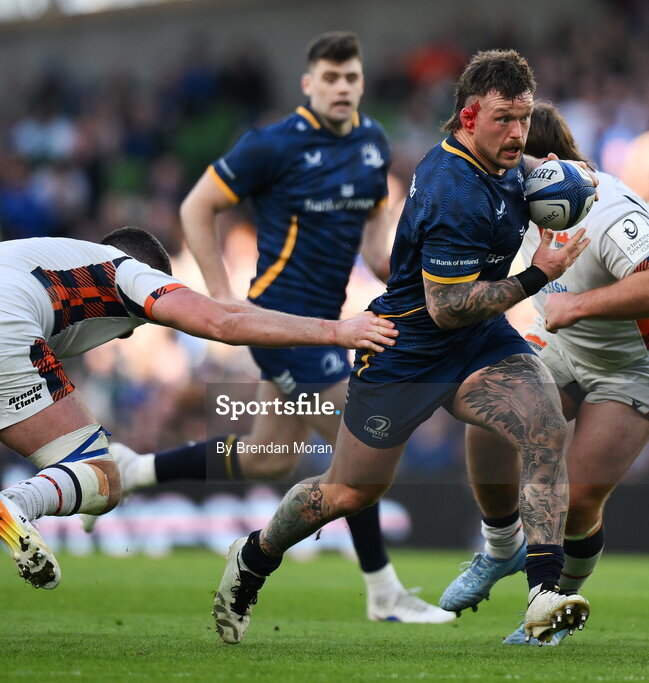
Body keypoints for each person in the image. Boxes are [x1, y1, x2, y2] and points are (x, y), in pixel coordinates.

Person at [0, 227, 398, 641]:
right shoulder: (128, 275)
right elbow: (223, 322)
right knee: (102, 474)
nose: (129, 336)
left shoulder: (34, 254)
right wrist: (336, 330)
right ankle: (16, 502)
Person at [210, 48, 596, 647]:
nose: (517, 132)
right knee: (349, 491)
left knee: (545, 424)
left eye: (523, 117)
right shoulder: (452, 188)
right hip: (408, 348)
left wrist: (581, 179)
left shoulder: (508, 163)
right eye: (503, 119)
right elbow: (446, 308)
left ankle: (542, 593)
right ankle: (254, 557)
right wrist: (537, 275)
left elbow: (556, 178)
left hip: (477, 341)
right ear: (468, 118)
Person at [88, 32, 451, 624]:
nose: (341, 88)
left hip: (327, 323)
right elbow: (195, 208)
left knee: (265, 458)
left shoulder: (372, 143)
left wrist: (396, 263)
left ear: (362, 84)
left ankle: (133, 469)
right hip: (279, 319)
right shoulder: (273, 144)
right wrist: (223, 298)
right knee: (361, 432)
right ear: (308, 84)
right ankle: (382, 588)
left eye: (351, 78)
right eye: (329, 78)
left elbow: (376, 238)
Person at [438, 101, 649, 645]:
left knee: (575, 500)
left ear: (552, 162)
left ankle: (550, 617)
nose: (505, 180)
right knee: (489, 411)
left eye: (518, 167)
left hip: (640, 357)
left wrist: (575, 308)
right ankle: (501, 545)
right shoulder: (509, 200)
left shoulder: (606, 209)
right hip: (560, 340)